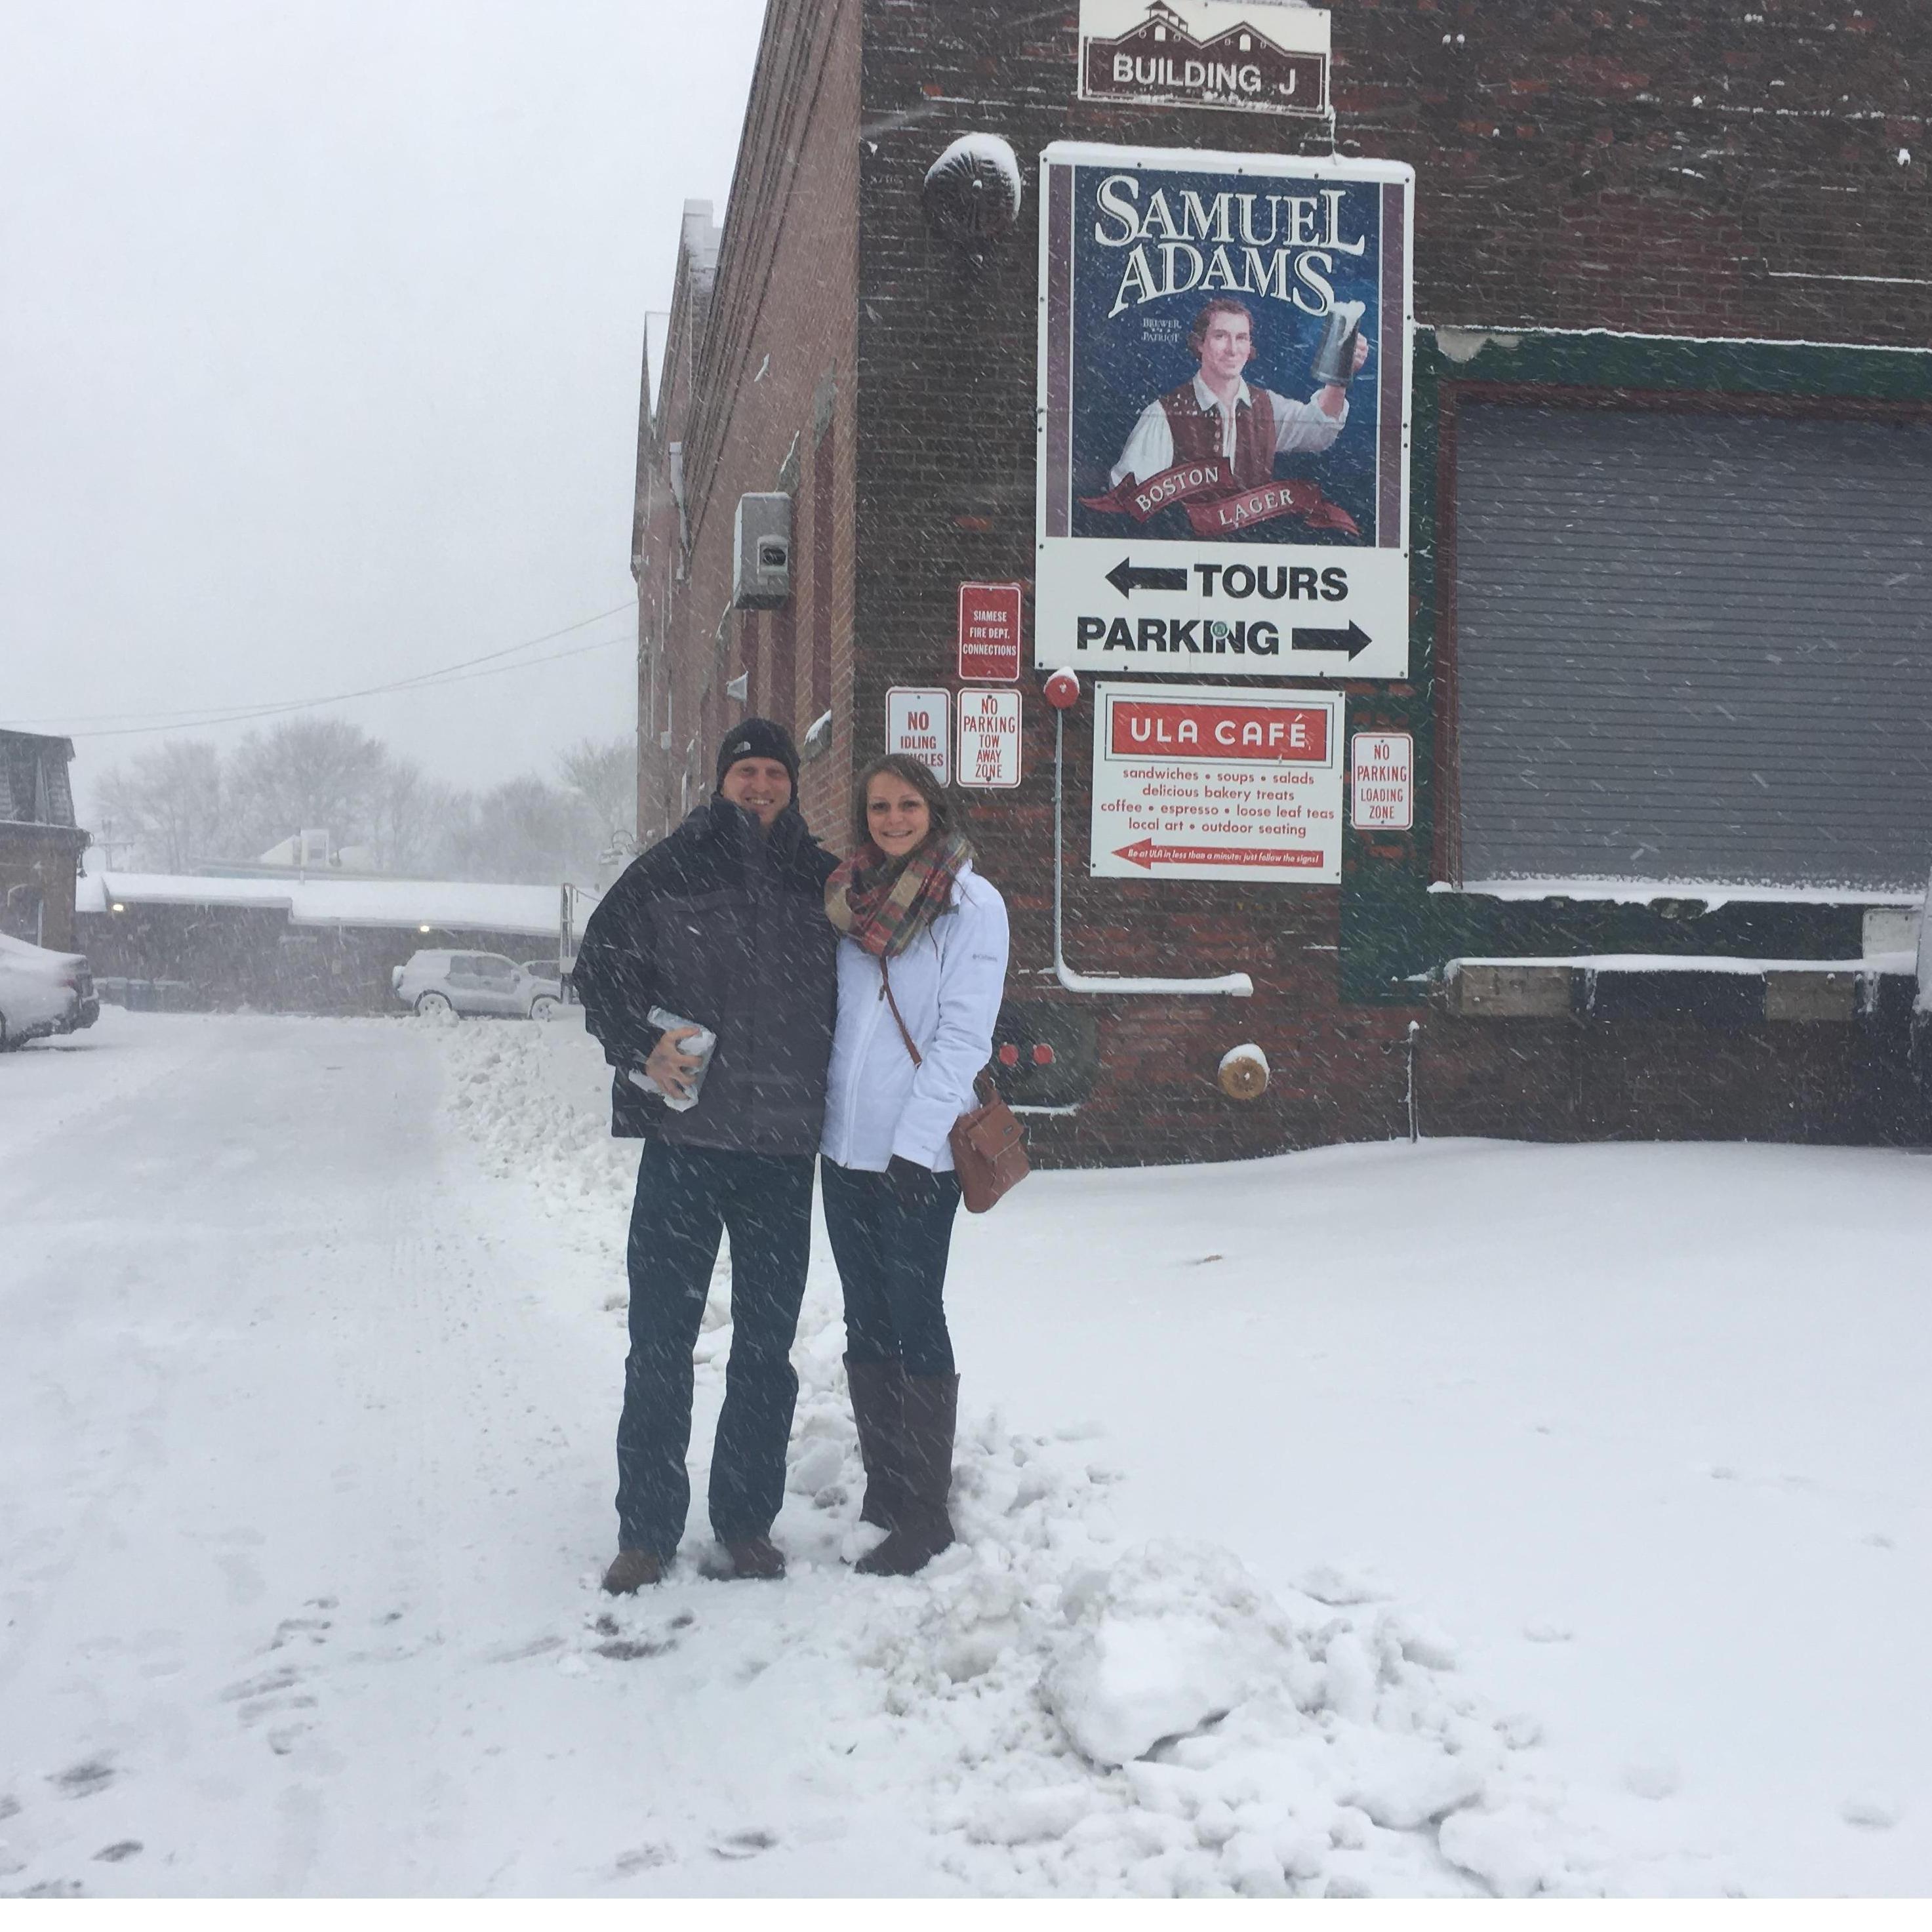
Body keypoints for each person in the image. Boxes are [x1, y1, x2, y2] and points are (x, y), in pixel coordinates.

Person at [572, 719, 837, 1593]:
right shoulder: (672, 866)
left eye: (772, 772)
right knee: (659, 1342)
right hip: (684, 1145)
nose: (758, 785)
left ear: (792, 784)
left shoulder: (822, 878)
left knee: (764, 1348)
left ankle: (745, 1523)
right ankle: (645, 1529)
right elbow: (600, 965)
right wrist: (636, 1047)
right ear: (721, 780)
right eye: (744, 772)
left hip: (781, 1151)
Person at [818, 755, 1010, 1577]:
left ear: (933, 808)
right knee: (865, 1314)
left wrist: (912, 1146)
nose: (892, 819)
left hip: (918, 1155)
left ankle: (926, 1514)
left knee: (913, 1311)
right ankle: (886, 1486)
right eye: (879, 807)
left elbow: (963, 1040)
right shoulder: (849, 897)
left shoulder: (971, 903)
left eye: (907, 805)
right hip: (842, 1147)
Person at [1107, 296, 1370, 492]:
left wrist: (1340, 375)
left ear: (1250, 347)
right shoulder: (1164, 414)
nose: (1232, 349)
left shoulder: (1266, 406)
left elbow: (1318, 432)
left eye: (1241, 338)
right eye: (1221, 336)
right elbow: (1126, 496)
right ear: (1199, 344)